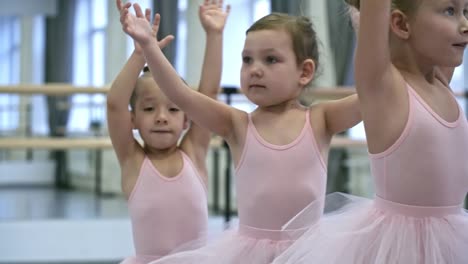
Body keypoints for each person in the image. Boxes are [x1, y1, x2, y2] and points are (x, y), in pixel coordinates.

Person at [119, 3, 361, 263]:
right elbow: (182, 95)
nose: (255, 69)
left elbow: (375, 92)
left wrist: (370, 22)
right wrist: (149, 48)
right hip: (248, 254)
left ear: (304, 72)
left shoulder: (320, 120)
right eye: (247, 60)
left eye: (270, 59)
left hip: (307, 253)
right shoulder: (237, 125)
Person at [273, 0, 468, 263]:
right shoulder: (384, 86)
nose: (465, 24)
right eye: (450, 11)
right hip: (400, 248)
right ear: (400, 24)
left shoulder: (439, 80)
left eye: (466, 11)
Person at [107, 0, 230, 263]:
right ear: (134, 119)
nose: (162, 118)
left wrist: (215, 35)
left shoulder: (194, 152)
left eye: (173, 110)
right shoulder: (132, 160)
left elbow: (208, 93)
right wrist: (140, 55)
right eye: (149, 109)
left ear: (188, 119)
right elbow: (115, 104)